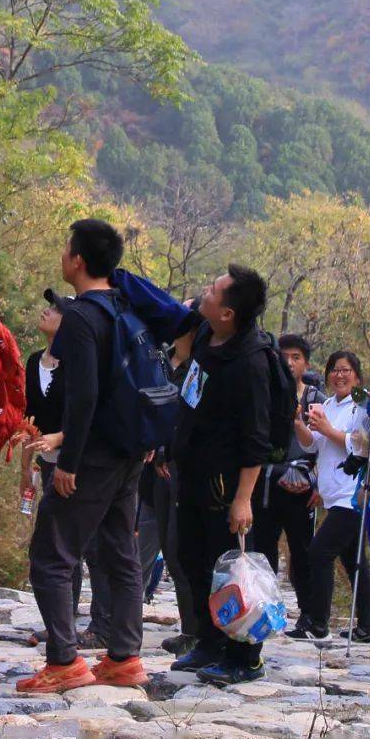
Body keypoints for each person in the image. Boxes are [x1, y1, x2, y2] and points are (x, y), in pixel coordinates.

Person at [110, 262, 273, 685]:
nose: (206, 289)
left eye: (215, 289)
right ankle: (208, 641)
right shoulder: (205, 335)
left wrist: (243, 499)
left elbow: (256, 440)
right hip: (191, 473)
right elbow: (165, 313)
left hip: (226, 485)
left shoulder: (249, 363)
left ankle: (244, 656)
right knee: (191, 558)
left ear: (228, 313)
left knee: (229, 571)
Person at [15, 219, 147, 694]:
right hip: (129, 452)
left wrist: (68, 460)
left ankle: (64, 661)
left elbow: (83, 396)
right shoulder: (125, 308)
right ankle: (124, 657)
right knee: (119, 553)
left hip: (92, 456)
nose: (63, 255)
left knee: (51, 554)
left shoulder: (80, 319)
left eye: (66, 248)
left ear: (77, 261)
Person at [23, 289, 111, 651]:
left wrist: (60, 439)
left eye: (55, 310)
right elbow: (31, 417)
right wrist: (27, 463)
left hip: (81, 462)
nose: (47, 312)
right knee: (59, 545)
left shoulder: (81, 360)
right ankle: (63, 621)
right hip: (48, 463)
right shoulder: (33, 362)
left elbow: (88, 411)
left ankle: (103, 624)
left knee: (92, 546)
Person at [290, 349, 370, 644]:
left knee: (319, 552)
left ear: (357, 375)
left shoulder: (363, 405)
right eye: (334, 370)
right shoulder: (326, 404)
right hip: (332, 494)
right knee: (354, 560)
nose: (339, 375)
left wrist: (327, 428)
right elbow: (312, 445)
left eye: (346, 370)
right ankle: (367, 626)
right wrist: (300, 424)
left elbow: (363, 446)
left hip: (352, 495)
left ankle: (318, 622)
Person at [251, 334, 323, 629]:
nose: (289, 363)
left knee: (302, 551)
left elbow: (324, 446)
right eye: (284, 357)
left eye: (296, 358)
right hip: (264, 482)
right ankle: (267, 613)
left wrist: (316, 482)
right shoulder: (265, 393)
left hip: (300, 487)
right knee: (263, 551)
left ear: (306, 362)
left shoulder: (316, 399)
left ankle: (308, 614)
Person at [154, 322, 200, 656]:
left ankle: (200, 632)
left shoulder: (202, 371)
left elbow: (188, 421)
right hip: (167, 466)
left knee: (182, 548)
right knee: (172, 549)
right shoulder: (175, 366)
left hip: (190, 471)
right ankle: (191, 630)